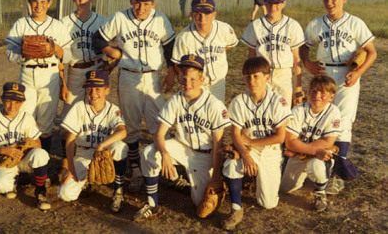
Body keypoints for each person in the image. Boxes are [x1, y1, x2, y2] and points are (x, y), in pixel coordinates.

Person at [92, 0, 176, 192]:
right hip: (128, 77)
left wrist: (172, 71)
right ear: (131, 1)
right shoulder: (120, 17)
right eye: (137, 2)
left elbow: (169, 46)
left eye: (146, 3)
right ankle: (136, 170)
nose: (141, 7)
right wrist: (113, 53)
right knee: (131, 128)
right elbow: (97, 39)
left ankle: (160, 167)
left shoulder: (160, 18)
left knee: (159, 124)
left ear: (153, 3)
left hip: (153, 78)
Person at [300, 0, 377, 194]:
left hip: (346, 74)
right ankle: (321, 163)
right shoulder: (316, 24)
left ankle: (336, 174)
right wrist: (307, 63)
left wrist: (358, 72)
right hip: (324, 73)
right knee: (320, 118)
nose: (329, 2)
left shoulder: (355, 23)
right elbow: (303, 47)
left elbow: (371, 52)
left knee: (343, 122)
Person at [133, 54, 230, 222]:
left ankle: (223, 182)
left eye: (193, 79)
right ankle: (152, 204)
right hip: (181, 146)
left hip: (205, 155)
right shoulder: (176, 99)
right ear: (178, 78)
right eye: (184, 79)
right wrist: (164, 154)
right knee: (149, 153)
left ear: (202, 79)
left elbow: (218, 145)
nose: (187, 83)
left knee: (199, 203)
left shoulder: (214, 105)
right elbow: (159, 134)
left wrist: (215, 178)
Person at [221, 57, 292, 230]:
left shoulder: (278, 101)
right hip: (248, 150)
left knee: (267, 203)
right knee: (232, 163)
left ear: (267, 77)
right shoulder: (239, 101)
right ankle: (236, 208)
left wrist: (251, 141)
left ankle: (252, 178)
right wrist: (245, 154)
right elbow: (235, 134)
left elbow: (280, 137)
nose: (251, 81)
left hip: (270, 151)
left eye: (256, 76)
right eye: (247, 77)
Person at [6, 0, 71, 154]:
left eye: (43, 1)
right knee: (25, 118)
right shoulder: (21, 24)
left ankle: (42, 162)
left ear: (50, 3)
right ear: (29, 1)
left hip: (50, 74)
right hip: (27, 73)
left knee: (46, 122)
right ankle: (23, 160)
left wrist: (55, 48)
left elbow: (69, 55)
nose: (39, 5)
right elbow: (9, 54)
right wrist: (24, 51)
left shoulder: (57, 26)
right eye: (35, 1)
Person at [57, 70, 128, 212]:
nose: (93, 94)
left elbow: (123, 131)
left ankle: (118, 191)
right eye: (89, 89)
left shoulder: (112, 109)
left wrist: (102, 145)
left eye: (98, 89)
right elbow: (70, 140)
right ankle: (86, 181)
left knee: (120, 147)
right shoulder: (79, 107)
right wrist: (71, 168)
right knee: (64, 193)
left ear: (107, 90)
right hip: (83, 154)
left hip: (103, 154)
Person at [0, 82, 51, 210]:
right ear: (2, 99)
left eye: (17, 102)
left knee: (41, 154)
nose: (12, 106)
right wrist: (3, 150)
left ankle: (40, 192)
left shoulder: (26, 118)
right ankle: (13, 180)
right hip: (5, 161)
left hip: (25, 158)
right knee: (1, 187)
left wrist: (23, 146)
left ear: (22, 102)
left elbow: (38, 143)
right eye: (9, 101)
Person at [59, 0, 107, 173]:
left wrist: (106, 69)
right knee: (68, 115)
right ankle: (66, 160)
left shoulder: (102, 21)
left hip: (96, 68)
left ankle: (95, 156)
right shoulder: (63, 23)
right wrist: (63, 83)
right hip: (75, 71)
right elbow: (60, 57)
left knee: (95, 113)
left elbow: (112, 49)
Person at [281, 75, 341, 212]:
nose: (317, 95)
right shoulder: (298, 110)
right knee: (286, 189)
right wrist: (312, 150)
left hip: (314, 154)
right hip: (302, 154)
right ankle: (312, 175)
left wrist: (305, 150)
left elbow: (328, 141)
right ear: (308, 93)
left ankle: (321, 191)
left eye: (323, 93)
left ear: (331, 97)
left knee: (317, 164)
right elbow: (290, 142)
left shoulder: (333, 111)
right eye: (314, 91)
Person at [241, 0, 305, 107]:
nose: (273, 6)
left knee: (284, 111)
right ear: (265, 2)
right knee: (260, 110)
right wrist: (251, 79)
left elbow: (296, 58)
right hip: (261, 73)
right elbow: (251, 56)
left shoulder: (292, 25)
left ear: (284, 3)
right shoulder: (256, 25)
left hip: (284, 74)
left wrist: (298, 86)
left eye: (277, 2)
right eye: (270, 2)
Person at [172, 0, 238, 101]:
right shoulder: (184, 37)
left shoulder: (224, 29)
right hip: (196, 86)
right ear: (192, 15)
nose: (203, 19)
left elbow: (228, 46)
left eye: (207, 14)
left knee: (215, 114)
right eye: (198, 14)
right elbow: (177, 64)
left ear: (214, 15)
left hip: (218, 82)